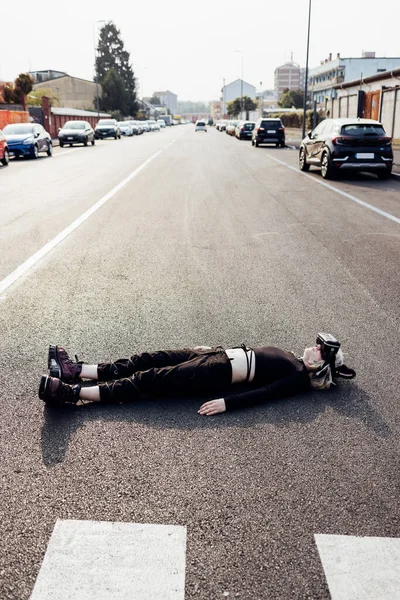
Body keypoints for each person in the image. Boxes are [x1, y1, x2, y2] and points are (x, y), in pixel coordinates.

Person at [38, 334, 356, 415]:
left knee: (150, 379)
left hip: (217, 373)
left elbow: (265, 395)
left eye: (319, 350)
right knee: (148, 358)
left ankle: (72, 394)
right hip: (214, 357)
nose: (313, 347)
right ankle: (77, 370)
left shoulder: (298, 377)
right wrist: (213, 348)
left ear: (322, 366)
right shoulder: (293, 359)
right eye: (316, 344)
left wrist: (227, 403)